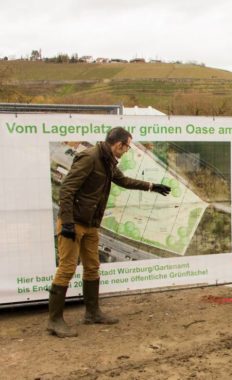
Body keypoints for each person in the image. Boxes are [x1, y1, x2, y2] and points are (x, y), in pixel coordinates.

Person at [48, 127, 171, 338]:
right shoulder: (90, 157)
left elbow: (123, 181)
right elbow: (67, 189)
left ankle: (92, 313)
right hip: (74, 223)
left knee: (92, 267)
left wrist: (152, 186)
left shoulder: (107, 160)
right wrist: (67, 223)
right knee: (67, 269)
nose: (127, 150)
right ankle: (55, 320)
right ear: (118, 144)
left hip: (91, 224)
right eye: (127, 147)